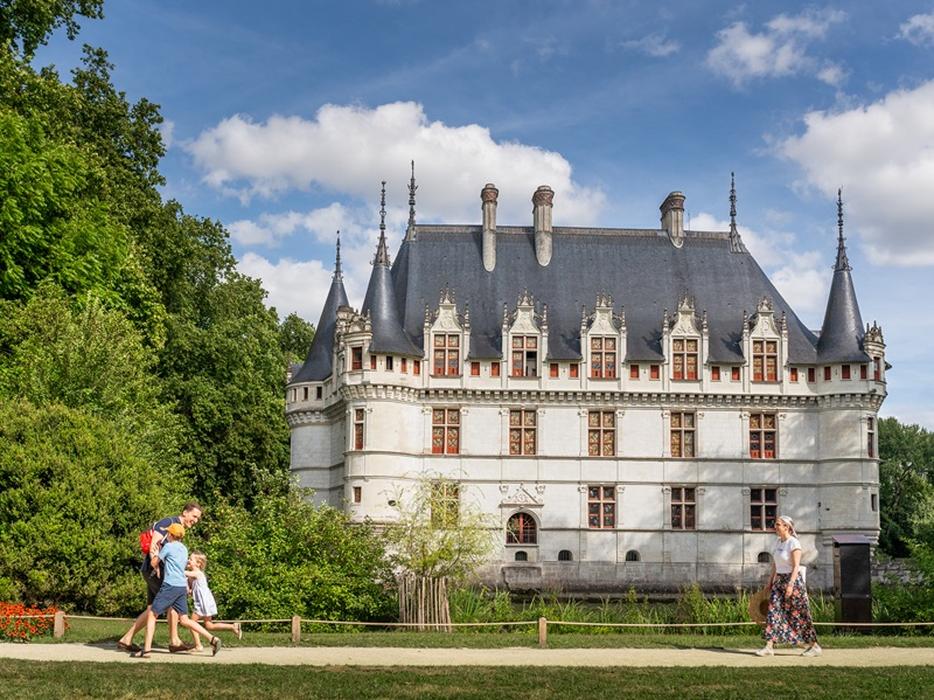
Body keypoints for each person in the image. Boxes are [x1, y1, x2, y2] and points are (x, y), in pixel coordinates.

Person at [117, 501, 203, 653]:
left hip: (156, 571)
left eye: (197, 518)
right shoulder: (168, 522)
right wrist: (155, 566)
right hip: (154, 571)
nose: (195, 521)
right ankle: (174, 641)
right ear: (185, 512)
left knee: (152, 608)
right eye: (194, 516)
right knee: (172, 603)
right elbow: (154, 545)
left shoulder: (178, 527)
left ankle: (126, 639)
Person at [137, 523, 221, 658]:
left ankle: (146, 650)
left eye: (168, 533)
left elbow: (153, 563)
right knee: (185, 619)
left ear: (170, 535)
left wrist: (156, 551)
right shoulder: (184, 549)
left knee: (152, 614)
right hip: (181, 587)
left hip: (170, 585)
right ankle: (213, 639)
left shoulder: (168, 547)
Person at [756, 515, 822, 657]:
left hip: (792, 581)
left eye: (778, 524)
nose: (775, 526)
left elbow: (796, 566)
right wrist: (770, 581)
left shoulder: (794, 543)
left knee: (799, 614)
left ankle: (814, 646)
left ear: (786, 527)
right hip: (779, 580)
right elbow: (775, 563)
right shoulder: (778, 542)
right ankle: (769, 646)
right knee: (773, 612)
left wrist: (791, 585)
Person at [185, 551, 242, 651]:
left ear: (198, 563)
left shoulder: (198, 573)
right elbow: (189, 588)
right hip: (204, 601)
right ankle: (233, 626)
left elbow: (183, 573)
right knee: (209, 625)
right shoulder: (191, 575)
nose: (188, 560)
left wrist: (176, 566)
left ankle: (198, 645)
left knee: (191, 622)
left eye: (191, 559)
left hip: (203, 602)